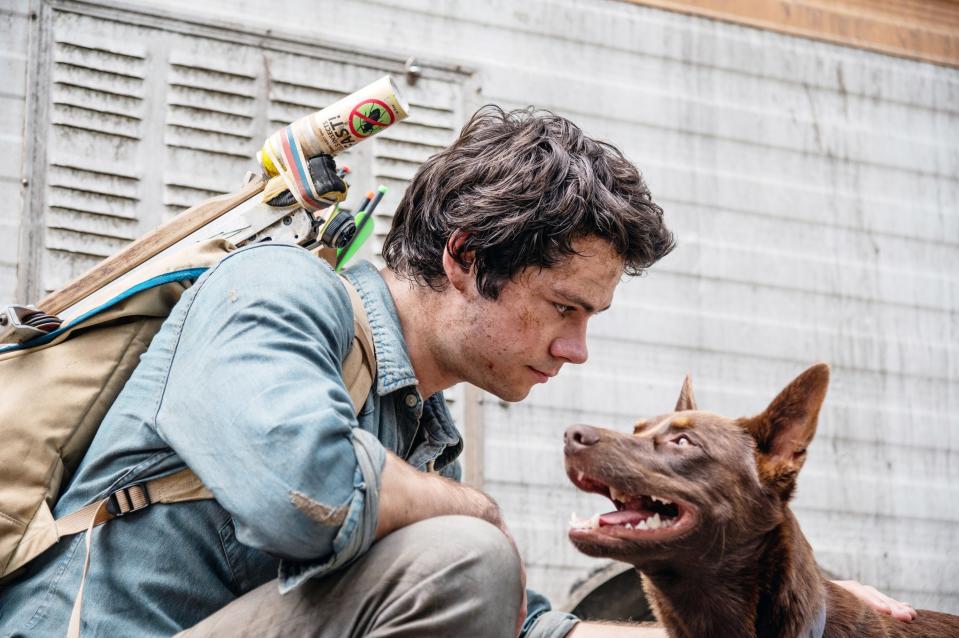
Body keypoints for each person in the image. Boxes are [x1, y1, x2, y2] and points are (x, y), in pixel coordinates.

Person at [0, 106, 914, 638]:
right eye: (566, 308)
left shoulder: (417, 429)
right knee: (462, 555)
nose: (576, 351)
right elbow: (300, 492)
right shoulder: (273, 292)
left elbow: (526, 628)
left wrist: (832, 618)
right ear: (468, 258)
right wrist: (470, 509)